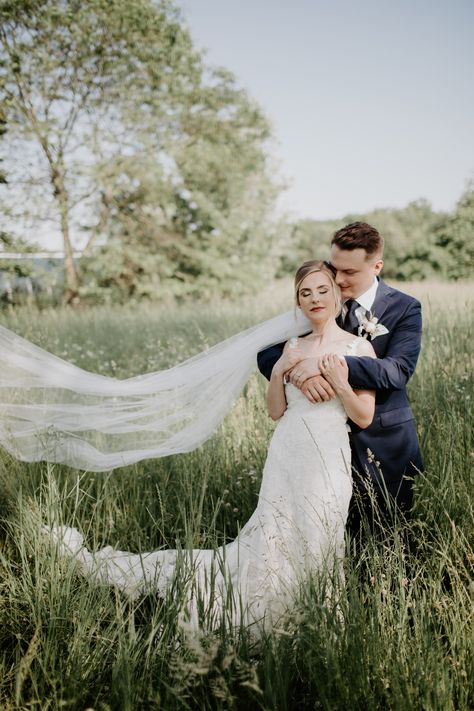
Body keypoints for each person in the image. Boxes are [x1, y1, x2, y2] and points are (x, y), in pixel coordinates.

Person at [51, 260, 376, 635]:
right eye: (306, 293)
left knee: (321, 530)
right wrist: (278, 370)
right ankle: (268, 600)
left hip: (327, 455)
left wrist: (340, 381)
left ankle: (314, 608)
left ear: (336, 294)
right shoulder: (291, 347)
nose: (315, 299)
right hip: (287, 451)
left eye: (322, 290)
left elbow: (363, 416)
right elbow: (275, 411)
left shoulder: (358, 348)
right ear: (298, 302)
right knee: (276, 530)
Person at [258, 222, 424, 539]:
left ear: (376, 266)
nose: (339, 279)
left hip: (382, 440)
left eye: (350, 272)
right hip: (317, 443)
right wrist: (297, 375)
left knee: (390, 537)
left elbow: (398, 371)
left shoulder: (404, 308)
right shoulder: (320, 297)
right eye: (335, 268)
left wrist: (324, 365)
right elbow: (267, 350)